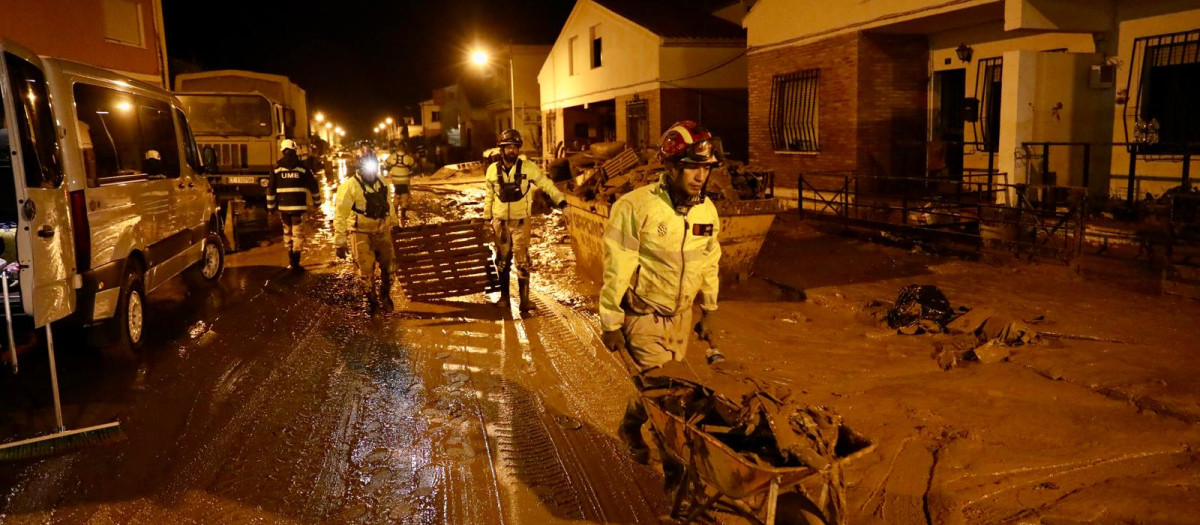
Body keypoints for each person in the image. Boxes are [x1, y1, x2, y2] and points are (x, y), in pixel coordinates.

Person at [598, 120, 724, 463]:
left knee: (661, 389)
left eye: (705, 169)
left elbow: (709, 260)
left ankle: (629, 424)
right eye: (691, 168)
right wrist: (610, 320)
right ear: (669, 168)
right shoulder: (635, 207)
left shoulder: (706, 211)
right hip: (644, 317)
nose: (700, 177)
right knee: (669, 401)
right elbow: (617, 265)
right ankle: (676, 480)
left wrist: (708, 309)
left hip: (681, 317)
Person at [483, 129, 567, 311]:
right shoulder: (491, 170)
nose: (512, 151)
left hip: (521, 221)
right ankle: (504, 298)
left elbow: (547, 184)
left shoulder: (528, 168)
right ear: (502, 149)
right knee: (502, 260)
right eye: (508, 147)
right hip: (500, 222)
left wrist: (561, 201)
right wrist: (486, 218)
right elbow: (489, 195)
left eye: (515, 147)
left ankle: (524, 301)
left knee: (522, 260)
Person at [333, 150, 397, 314]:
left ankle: (384, 294)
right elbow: (340, 214)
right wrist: (340, 241)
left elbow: (389, 206)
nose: (371, 171)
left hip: (382, 231)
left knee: (390, 269)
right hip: (360, 233)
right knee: (366, 271)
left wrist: (395, 224)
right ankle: (373, 303)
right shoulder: (349, 187)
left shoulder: (383, 183)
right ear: (359, 167)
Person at [267, 139, 320, 270]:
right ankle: (296, 262)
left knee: (287, 232)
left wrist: (271, 207)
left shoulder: (277, 169)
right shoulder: (302, 168)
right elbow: (313, 185)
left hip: (284, 208)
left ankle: (291, 260)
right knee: (297, 234)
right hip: (298, 207)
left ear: (283, 151)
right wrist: (317, 202)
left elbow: (270, 188)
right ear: (294, 150)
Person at [382, 139, 416, 226]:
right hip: (404, 180)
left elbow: (385, 163)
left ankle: (395, 211)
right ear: (404, 148)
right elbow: (414, 164)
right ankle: (403, 214)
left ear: (397, 148)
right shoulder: (407, 157)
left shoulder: (392, 156)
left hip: (395, 180)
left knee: (397, 193)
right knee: (405, 195)